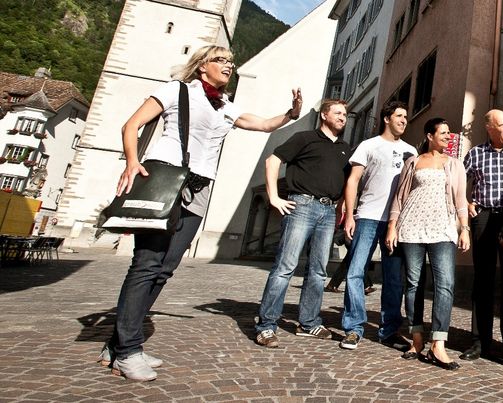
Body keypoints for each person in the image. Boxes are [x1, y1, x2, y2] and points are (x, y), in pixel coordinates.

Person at [101, 45, 302, 381]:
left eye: (231, 62)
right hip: (164, 179)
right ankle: (128, 350)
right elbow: (131, 125)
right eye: (221, 60)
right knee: (147, 264)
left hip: (199, 188)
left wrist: (291, 113)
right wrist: (132, 162)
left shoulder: (224, 105)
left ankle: (117, 343)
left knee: (164, 269)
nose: (228, 66)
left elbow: (264, 125)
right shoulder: (176, 90)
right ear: (201, 66)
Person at [254, 99, 352, 348]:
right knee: (285, 267)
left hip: (328, 211)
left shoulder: (345, 148)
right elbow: (272, 161)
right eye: (338, 113)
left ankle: (308, 323)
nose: (343, 117)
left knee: (318, 271)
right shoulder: (304, 138)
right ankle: (266, 326)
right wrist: (274, 197)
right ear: (324, 115)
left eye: (345, 114)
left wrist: (341, 209)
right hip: (302, 206)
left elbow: (346, 183)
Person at [386, 118, 470, 370]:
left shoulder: (454, 164)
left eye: (449, 133)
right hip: (411, 228)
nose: (448, 136)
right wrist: (392, 227)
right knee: (413, 284)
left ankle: (439, 344)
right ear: (430, 135)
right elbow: (400, 198)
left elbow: (460, 199)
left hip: (443, 229)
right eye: (443, 133)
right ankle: (417, 339)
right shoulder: (413, 162)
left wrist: (464, 229)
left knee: (445, 284)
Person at [336, 101, 417, 351]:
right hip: (368, 217)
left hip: (396, 222)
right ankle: (353, 328)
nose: (404, 120)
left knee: (393, 278)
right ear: (386, 118)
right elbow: (353, 181)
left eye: (406, 117)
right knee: (356, 272)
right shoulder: (368, 145)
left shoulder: (411, 151)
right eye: (399, 116)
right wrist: (350, 215)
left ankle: (389, 330)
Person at [461, 109, 503, 365]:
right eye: (501, 125)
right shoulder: (476, 154)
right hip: (484, 217)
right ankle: (480, 342)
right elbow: (458, 182)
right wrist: (466, 203)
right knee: (483, 280)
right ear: (489, 128)